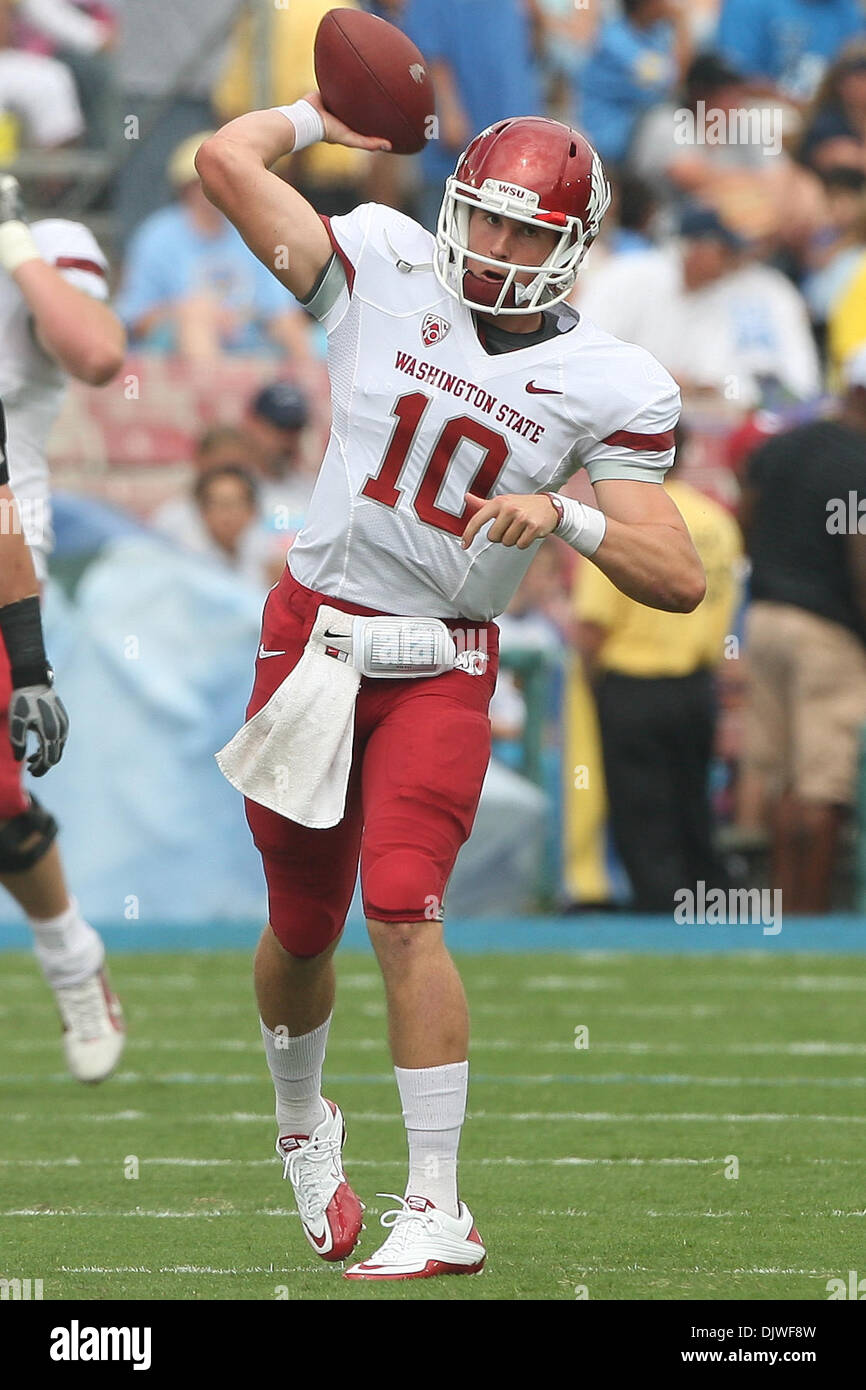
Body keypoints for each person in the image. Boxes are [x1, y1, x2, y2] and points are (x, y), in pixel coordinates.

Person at [196, 93, 705, 1280]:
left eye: (527, 235)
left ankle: (436, 1205)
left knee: (405, 900)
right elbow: (226, 161)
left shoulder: (608, 378)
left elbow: (674, 574)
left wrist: (566, 515)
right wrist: (326, 111)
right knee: (301, 923)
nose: (494, 249)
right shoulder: (381, 266)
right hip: (312, 636)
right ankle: (302, 1124)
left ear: (574, 246)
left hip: (440, 655)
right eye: (481, 220)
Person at [0, 171, 126, 1083]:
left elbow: (93, 353)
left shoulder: (43, 244)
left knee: (0, 802)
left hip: (9, 548)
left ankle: (73, 961)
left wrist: (12, 239)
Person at [573, 444, 743, 911]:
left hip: (632, 682)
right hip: (695, 684)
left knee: (640, 809)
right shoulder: (716, 520)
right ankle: (704, 901)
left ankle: (658, 908)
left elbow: (592, 626)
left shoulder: (621, 524)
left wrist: (592, 686)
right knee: (692, 801)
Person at [738, 345, 866, 912]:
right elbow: (862, 556)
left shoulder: (783, 444)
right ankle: (810, 918)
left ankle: (781, 914)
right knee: (823, 783)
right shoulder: (860, 460)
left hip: (763, 619)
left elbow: (745, 514)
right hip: (826, 632)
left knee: (782, 778)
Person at [116, 132, 315, 362]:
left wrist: (245, 319)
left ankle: (310, 392)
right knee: (196, 318)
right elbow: (137, 320)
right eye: (204, 182)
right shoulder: (158, 236)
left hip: (250, 339)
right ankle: (212, 395)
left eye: (224, 179)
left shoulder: (255, 231)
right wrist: (190, 311)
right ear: (185, 189)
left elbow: (281, 310)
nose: (213, 190)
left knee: (295, 328)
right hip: (174, 346)